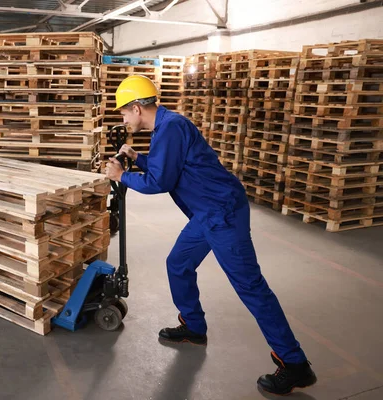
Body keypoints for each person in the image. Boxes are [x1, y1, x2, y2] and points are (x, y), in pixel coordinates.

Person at [104, 75, 317, 395]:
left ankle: (295, 363)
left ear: (136, 108)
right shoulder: (166, 127)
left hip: (223, 214)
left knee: (251, 288)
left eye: (124, 112)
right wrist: (137, 159)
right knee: (178, 263)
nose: (123, 118)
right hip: (206, 214)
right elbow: (169, 167)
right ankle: (193, 326)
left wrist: (122, 175)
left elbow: (160, 182)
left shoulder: (171, 127)